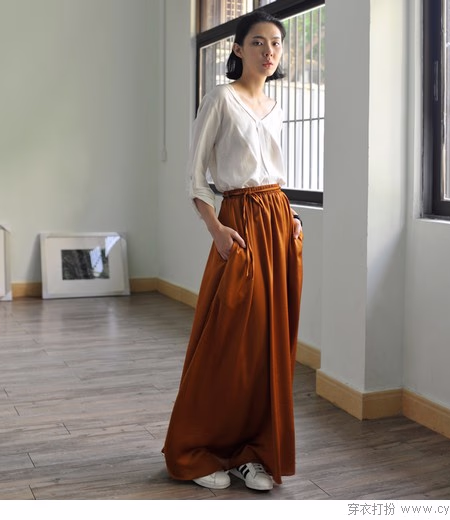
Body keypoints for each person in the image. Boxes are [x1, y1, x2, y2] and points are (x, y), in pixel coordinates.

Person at [162, 9, 303, 492]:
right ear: (238, 48)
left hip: (279, 223)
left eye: (276, 43)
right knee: (227, 343)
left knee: (268, 346)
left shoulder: (277, 107)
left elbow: (274, 172)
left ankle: (251, 452)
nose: (269, 51)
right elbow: (195, 176)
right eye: (259, 42)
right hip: (238, 223)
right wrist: (216, 230)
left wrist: (292, 218)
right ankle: (198, 449)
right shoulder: (220, 99)